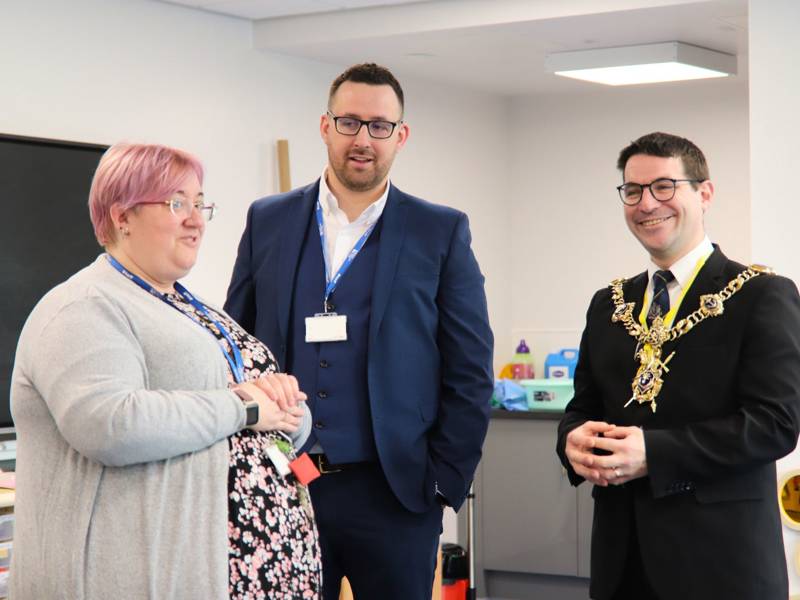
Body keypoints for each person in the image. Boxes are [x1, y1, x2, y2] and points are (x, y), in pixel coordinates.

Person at [225, 62, 494, 599]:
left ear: (401, 136)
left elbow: (470, 369)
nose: (363, 139)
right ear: (325, 127)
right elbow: (237, 346)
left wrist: (443, 483)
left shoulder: (438, 230)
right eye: (349, 123)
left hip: (396, 494)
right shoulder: (269, 219)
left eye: (379, 126)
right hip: (287, 483)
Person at [9, 143, 321, 599]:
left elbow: (272, 413)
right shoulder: (82, 307)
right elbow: (111, 424)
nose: (195, 219)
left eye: (199, 204)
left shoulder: (199, 311)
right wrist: (246, 407)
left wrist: (289, 409)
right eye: (177, 203)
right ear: (122, 216)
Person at [556, 131, 800, 600]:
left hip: (722, 564)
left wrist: (654, 452)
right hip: (621, 561)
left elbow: (774, 425)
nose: (647, 204)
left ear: (704, 193)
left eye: (664, 187)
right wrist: (572, 438)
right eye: (633, 191)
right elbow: (582, 406)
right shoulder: (607, 304)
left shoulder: (760, 295)